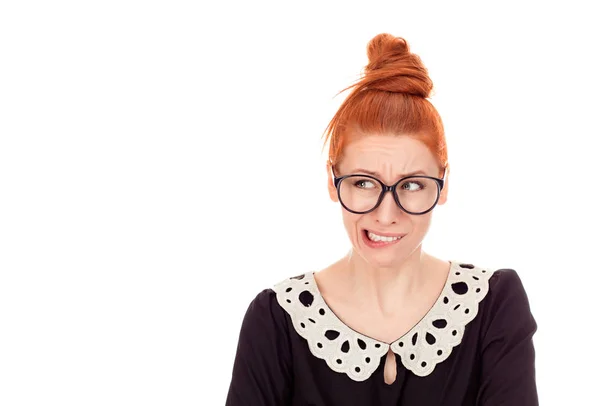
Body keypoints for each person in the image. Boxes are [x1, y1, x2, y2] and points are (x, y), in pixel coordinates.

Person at [225, 33, 538, 405]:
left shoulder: (493, 305)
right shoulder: (276, 320)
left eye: (412, 186)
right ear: (332, 180)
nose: (386, 215)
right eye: (363, 182)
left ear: (444, 184)